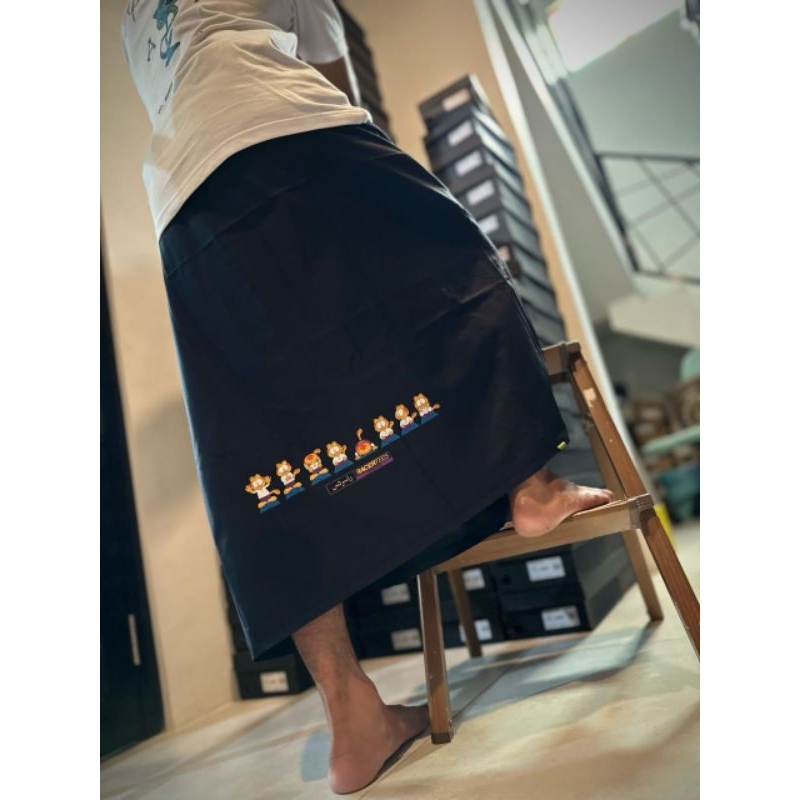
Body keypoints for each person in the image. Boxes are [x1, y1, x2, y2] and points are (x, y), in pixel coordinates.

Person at [120, 1, 613, 793]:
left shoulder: (132, 20)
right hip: (290, 131)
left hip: (182, 208)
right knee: (462, 269)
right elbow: (337, 76)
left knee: (267, 439)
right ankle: (533, 486)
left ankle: (350, 716)